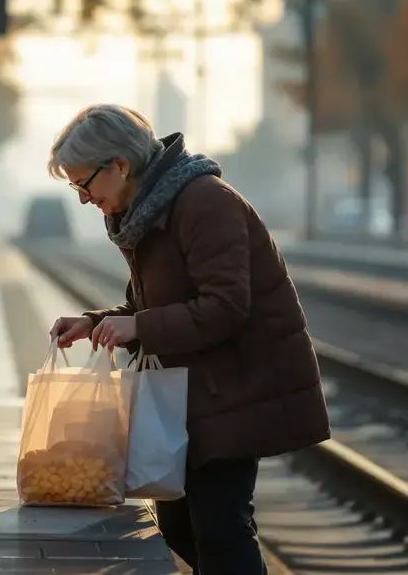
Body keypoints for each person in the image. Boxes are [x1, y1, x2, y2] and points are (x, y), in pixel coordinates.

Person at [44, 104, 330, 575]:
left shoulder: (204, 203)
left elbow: (225, 306)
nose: (82, 199)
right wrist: (94, 322)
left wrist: (141, 327)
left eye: (83, 184)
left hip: (236, 389)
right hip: (194, 395)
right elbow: (147, 309)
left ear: (119, 165)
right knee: (178, 525)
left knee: (221, 527)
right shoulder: (148, 213)